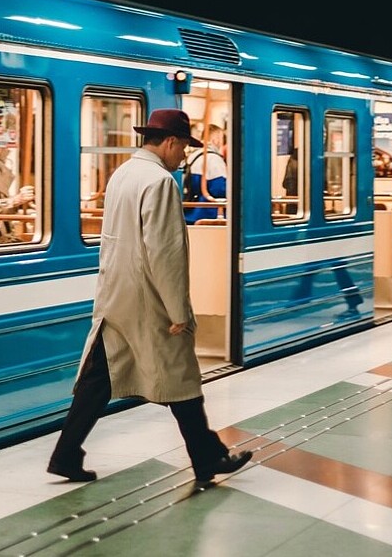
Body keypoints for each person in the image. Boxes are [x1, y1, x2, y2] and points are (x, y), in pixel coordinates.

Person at [48, 109, 252, 485]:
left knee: (99, 378)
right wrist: (179, 310)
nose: (183, 158)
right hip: (150, 300)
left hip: (116, 295)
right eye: (183, 149)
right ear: (171, 142)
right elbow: (165, 252)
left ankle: (65, 454)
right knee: (182, 380)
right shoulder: (159, 182)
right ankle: (208, 459)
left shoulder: (122, 174)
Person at [182, 124, 227, 224]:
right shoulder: (214, 159)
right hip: (208, 215)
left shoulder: (192, 157)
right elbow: (219, 189)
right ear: (216, 139)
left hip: (190, 212)